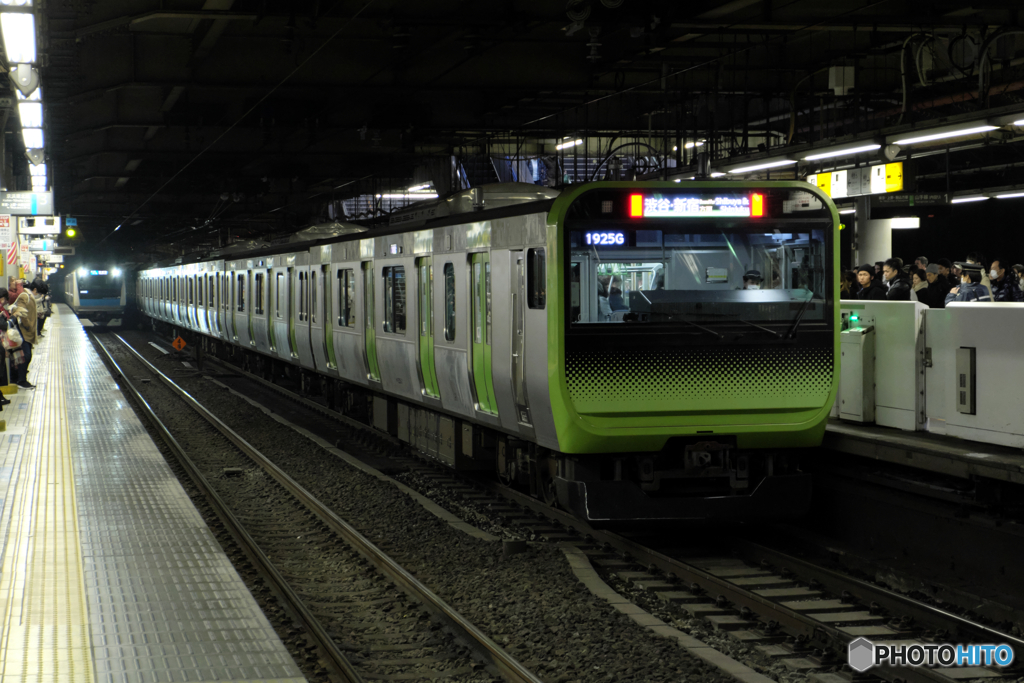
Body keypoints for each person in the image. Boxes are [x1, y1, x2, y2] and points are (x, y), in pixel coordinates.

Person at [8, 280, 37, 388]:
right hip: (22, 331)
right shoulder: (24, 295)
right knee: (25, 355)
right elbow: (22, 312)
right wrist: (28, 325)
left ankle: (19, 378)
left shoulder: (25, 294)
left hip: (25, 331)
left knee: (24, 355)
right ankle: (20, 380)